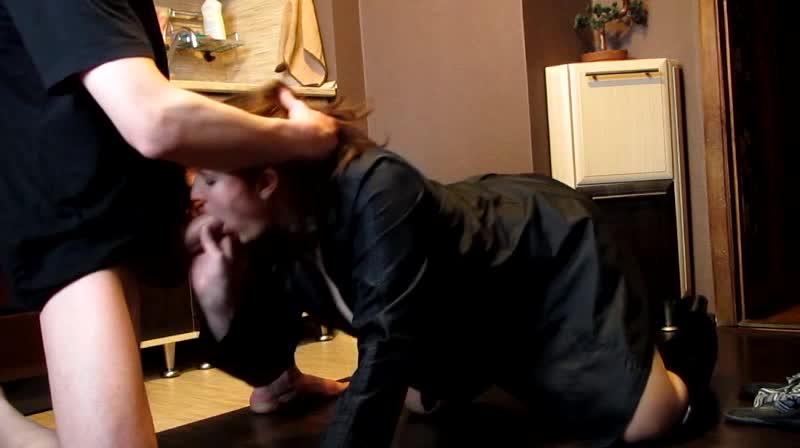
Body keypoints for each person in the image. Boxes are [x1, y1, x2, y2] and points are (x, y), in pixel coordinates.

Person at [186, 82, 720, 447]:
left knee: (646, 423)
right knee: (424, 404)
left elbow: (388, 344)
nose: (197, 197)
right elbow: (265, 373)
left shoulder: (377, 186)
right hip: (461, 301)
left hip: (548, 247)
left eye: (210, 179)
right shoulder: (266, 228)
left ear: (267, 181)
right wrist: (217, 298)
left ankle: (678, 356)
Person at [0, 1, 342, 447]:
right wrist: (306, 138)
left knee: (238, 241)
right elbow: (154, 120)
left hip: (115, 195)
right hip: (72, 213)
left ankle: (280, 379)